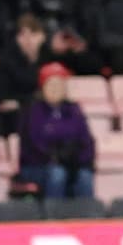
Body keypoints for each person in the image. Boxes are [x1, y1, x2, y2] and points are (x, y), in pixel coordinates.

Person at [18, 62, 96, 200]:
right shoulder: (33, 111)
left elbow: (86, 141)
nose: (55, 89)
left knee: (85, 176)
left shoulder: (74, 110)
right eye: (51, 84)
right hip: (38, 165)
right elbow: (33, 145)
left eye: (60, 84)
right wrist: (55, 157)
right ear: (43, 87)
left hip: (71, 163)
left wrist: (79, 160)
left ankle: (87, 219)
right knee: (57, 174)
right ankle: (54, 217)